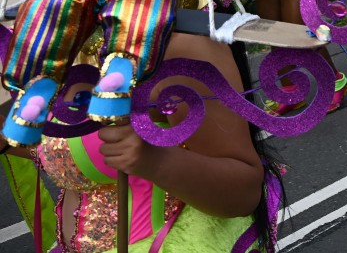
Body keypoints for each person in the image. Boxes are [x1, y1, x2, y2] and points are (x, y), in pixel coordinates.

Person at [0, 31, 281, 252]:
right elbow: (64, 149)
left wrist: (155, 160)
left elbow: (242, 194)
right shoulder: (52, 39)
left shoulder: (177, 45)